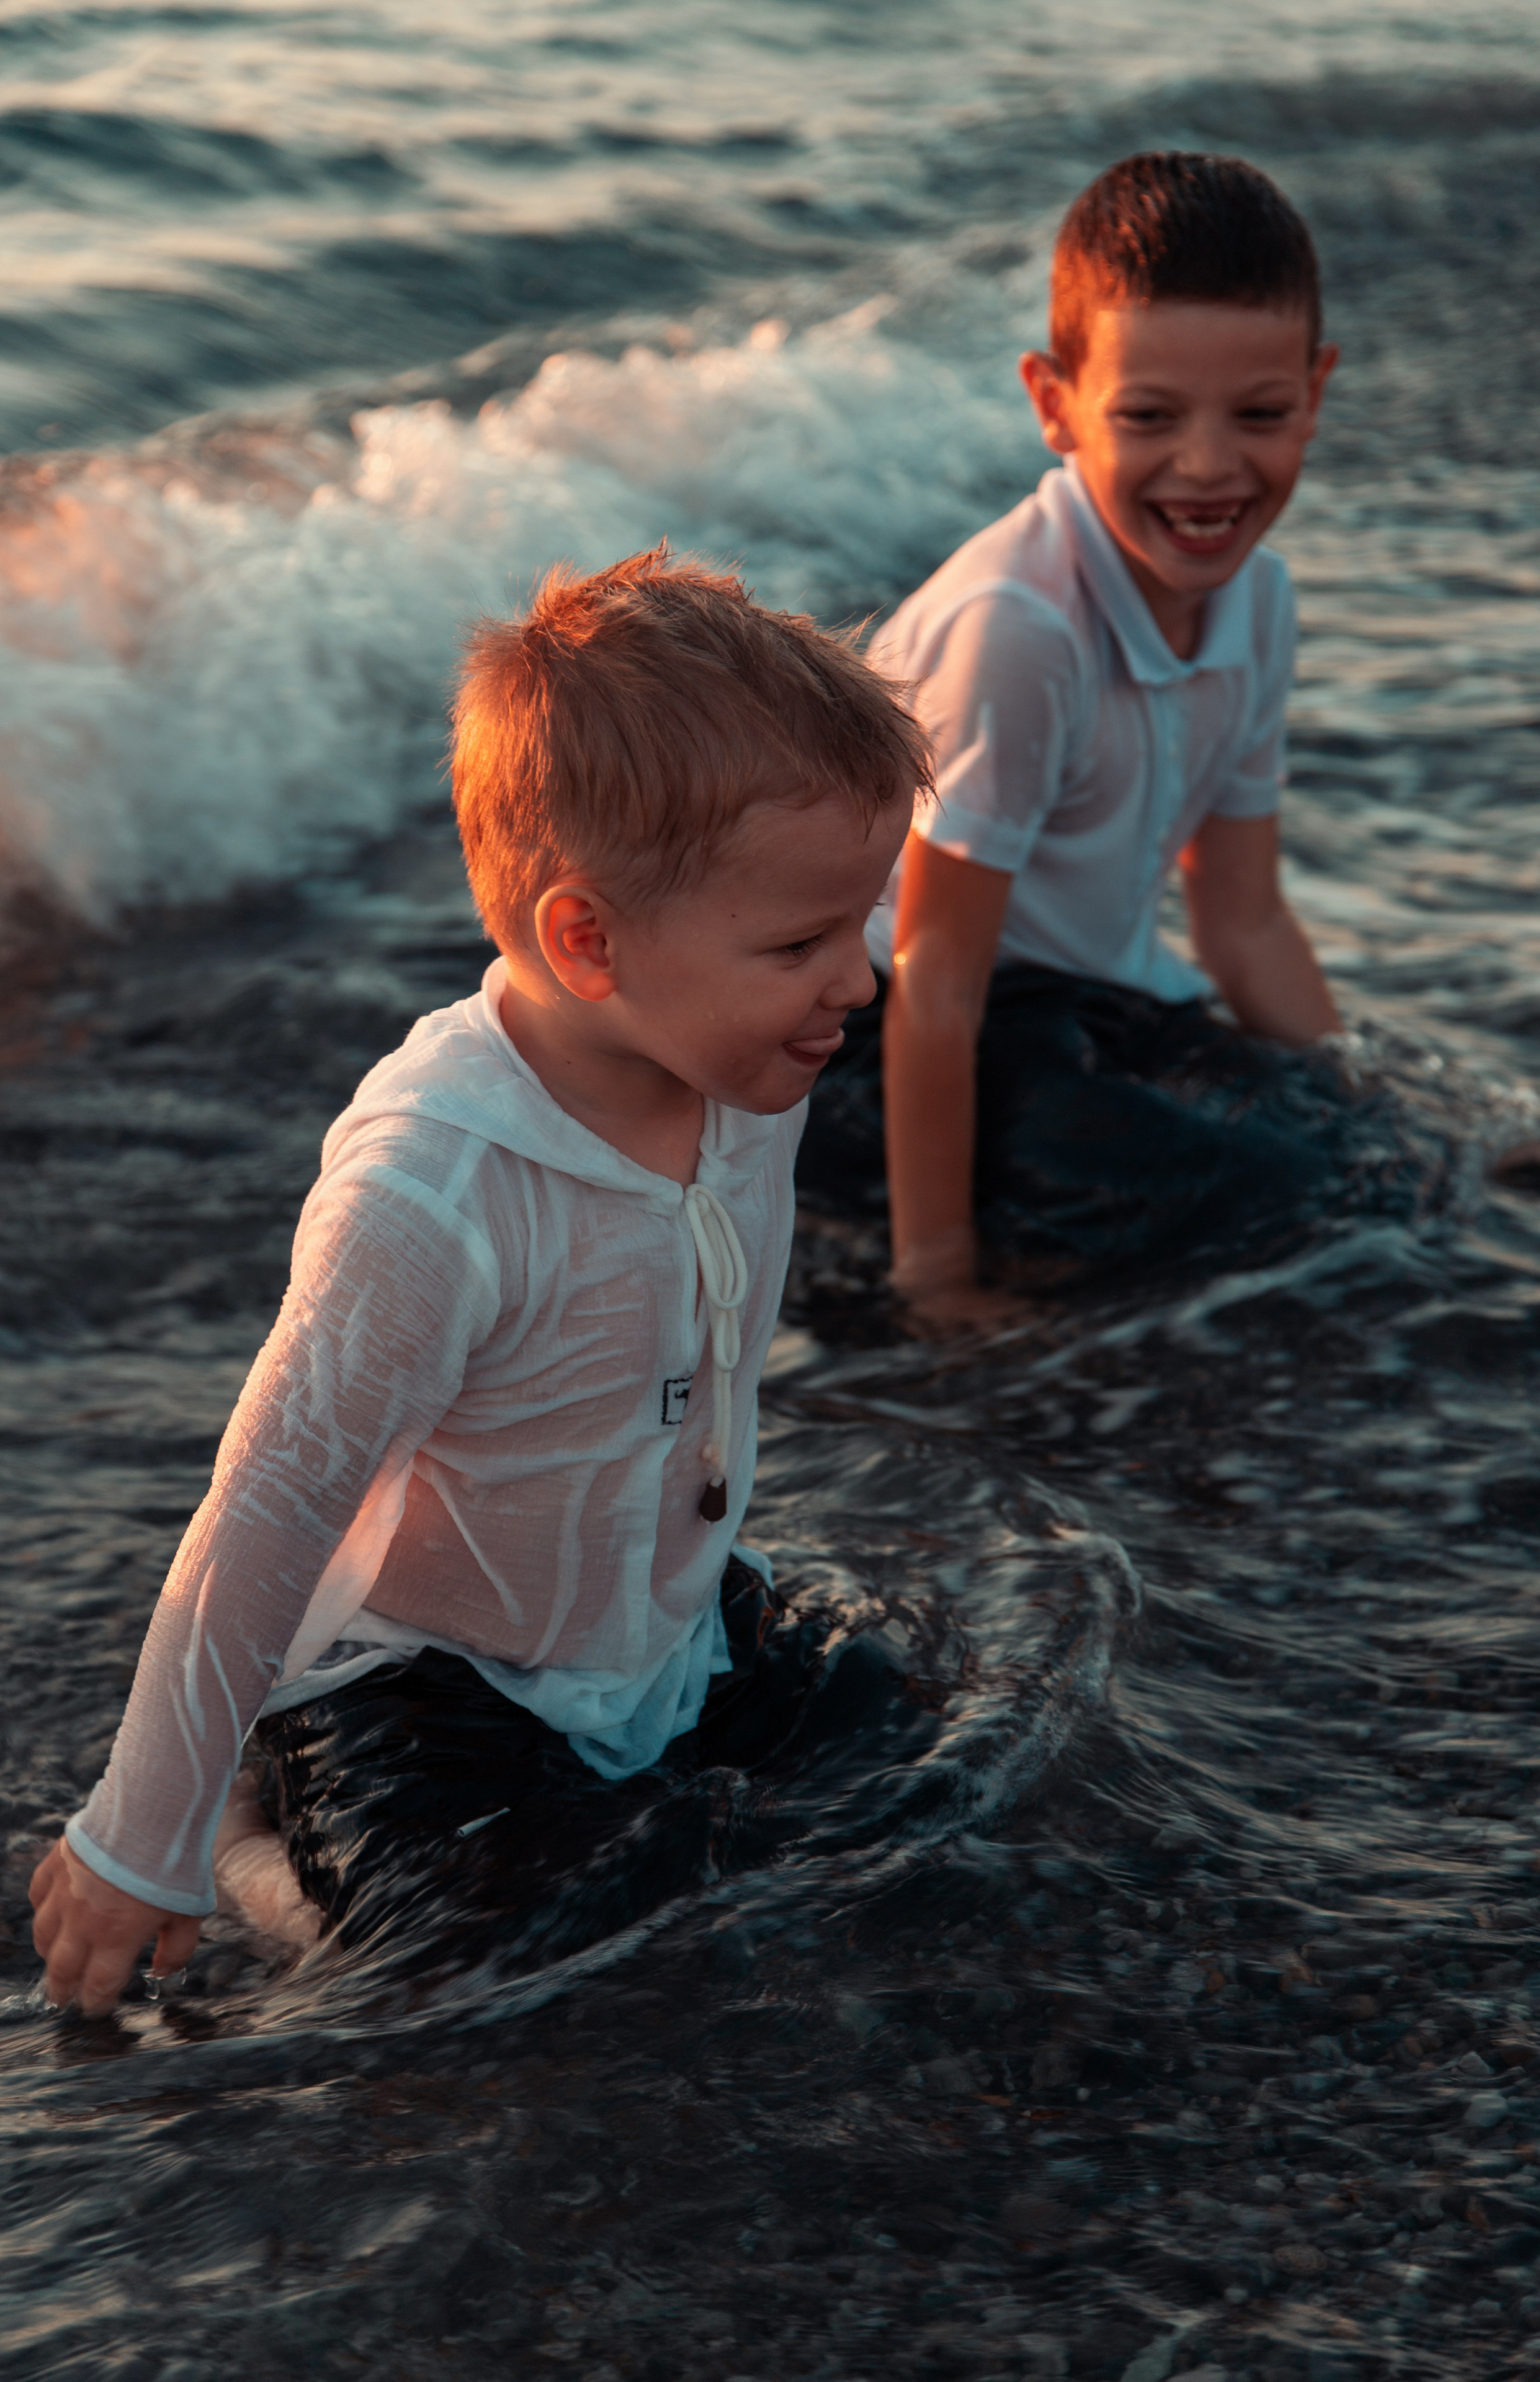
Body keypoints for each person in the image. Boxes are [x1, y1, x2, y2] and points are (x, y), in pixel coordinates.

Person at [29, 547, 931, 2012]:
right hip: (428, 1692)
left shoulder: (742, 1061)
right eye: (800, 941)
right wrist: (141, 1839)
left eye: (860, 920)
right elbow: (269, 1507)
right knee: (493, 1976)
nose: (860, 978)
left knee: (909, 1767)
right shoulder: (434, 1195)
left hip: (665, 1636)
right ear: (588, 940)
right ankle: (266, 1845)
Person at [797, 151, 1350, 1328]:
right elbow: (937, 984)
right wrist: (937, 1276)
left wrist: (1363, 1102)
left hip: (1077, 1007)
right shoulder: (1019, 630)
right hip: (871, 1031)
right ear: (1055, 403)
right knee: (1248, 1191)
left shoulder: (1259, 602)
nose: (1209, 467)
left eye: (1260, 414)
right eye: (1149, 416)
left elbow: (1244, 922)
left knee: (1353, 1149)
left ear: (1316, 393)